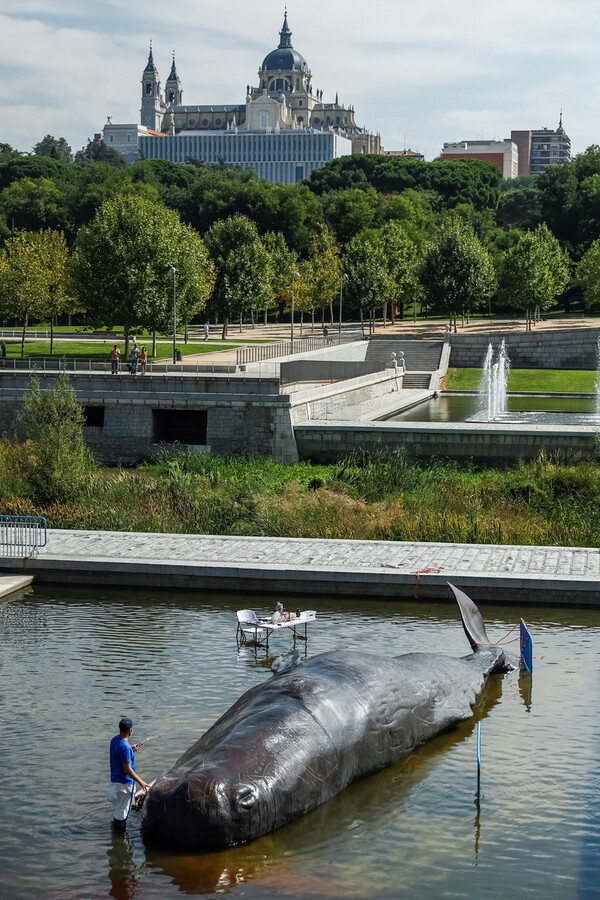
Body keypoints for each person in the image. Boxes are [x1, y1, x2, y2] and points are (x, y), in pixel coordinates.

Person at [108, 717, 151, 831]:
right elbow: (127, 769)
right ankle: (120, 840)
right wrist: (141, 782)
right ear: (130, 729)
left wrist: (132, 750)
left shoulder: (114, 740)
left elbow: (119, 754)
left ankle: (115, 832)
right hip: (125, 785)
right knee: (122, 813)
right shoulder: (125, 747)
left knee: (118, 810)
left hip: (115, 783)